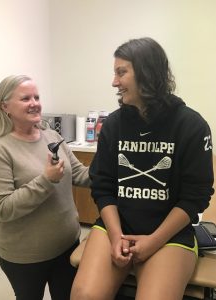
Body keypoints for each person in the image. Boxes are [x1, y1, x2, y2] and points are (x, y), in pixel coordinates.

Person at [70, 37, 214, 300]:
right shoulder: (113, 125)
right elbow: (103, 187)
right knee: (84, 295)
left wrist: (155, 241)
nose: (114, 82)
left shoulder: (192, 126)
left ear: (147, 73)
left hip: (169, 234)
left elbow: (196, 197)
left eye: (121, 72)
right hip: (116, 226)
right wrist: (115, 236)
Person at [0, 75, 90, 300]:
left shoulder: (51, 136)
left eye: (37, 96)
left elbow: (80, 174)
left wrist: (111, 170)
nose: (35, 102)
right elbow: (2, 209)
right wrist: (46, 180)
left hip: (67, 246)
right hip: (26, 257)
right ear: (5, 106)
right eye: (26, 98)